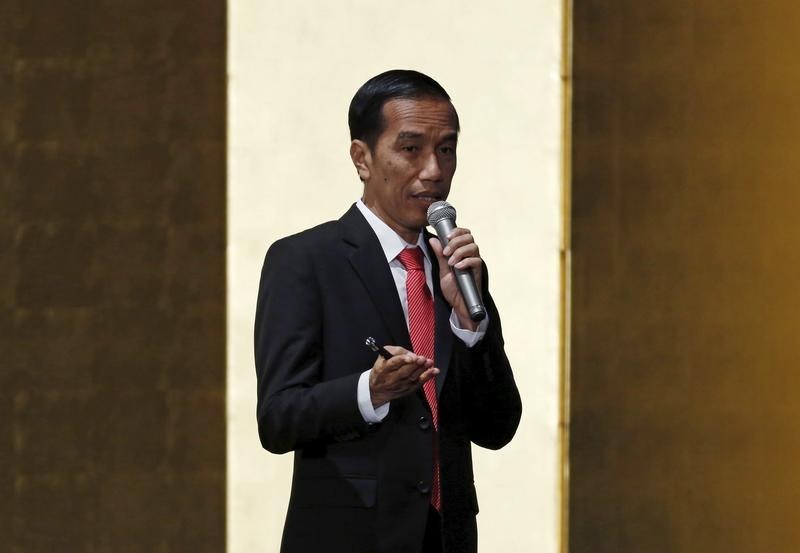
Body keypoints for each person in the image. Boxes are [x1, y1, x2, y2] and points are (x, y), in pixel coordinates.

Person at [254, 69, 522, 553]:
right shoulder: (305, 261)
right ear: (362, 157)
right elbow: (277, 418)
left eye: (446, 149)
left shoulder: (459, 270)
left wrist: (469, 327)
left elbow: (498, 426)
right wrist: (368, 391)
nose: (434, 171)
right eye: (411, 149)